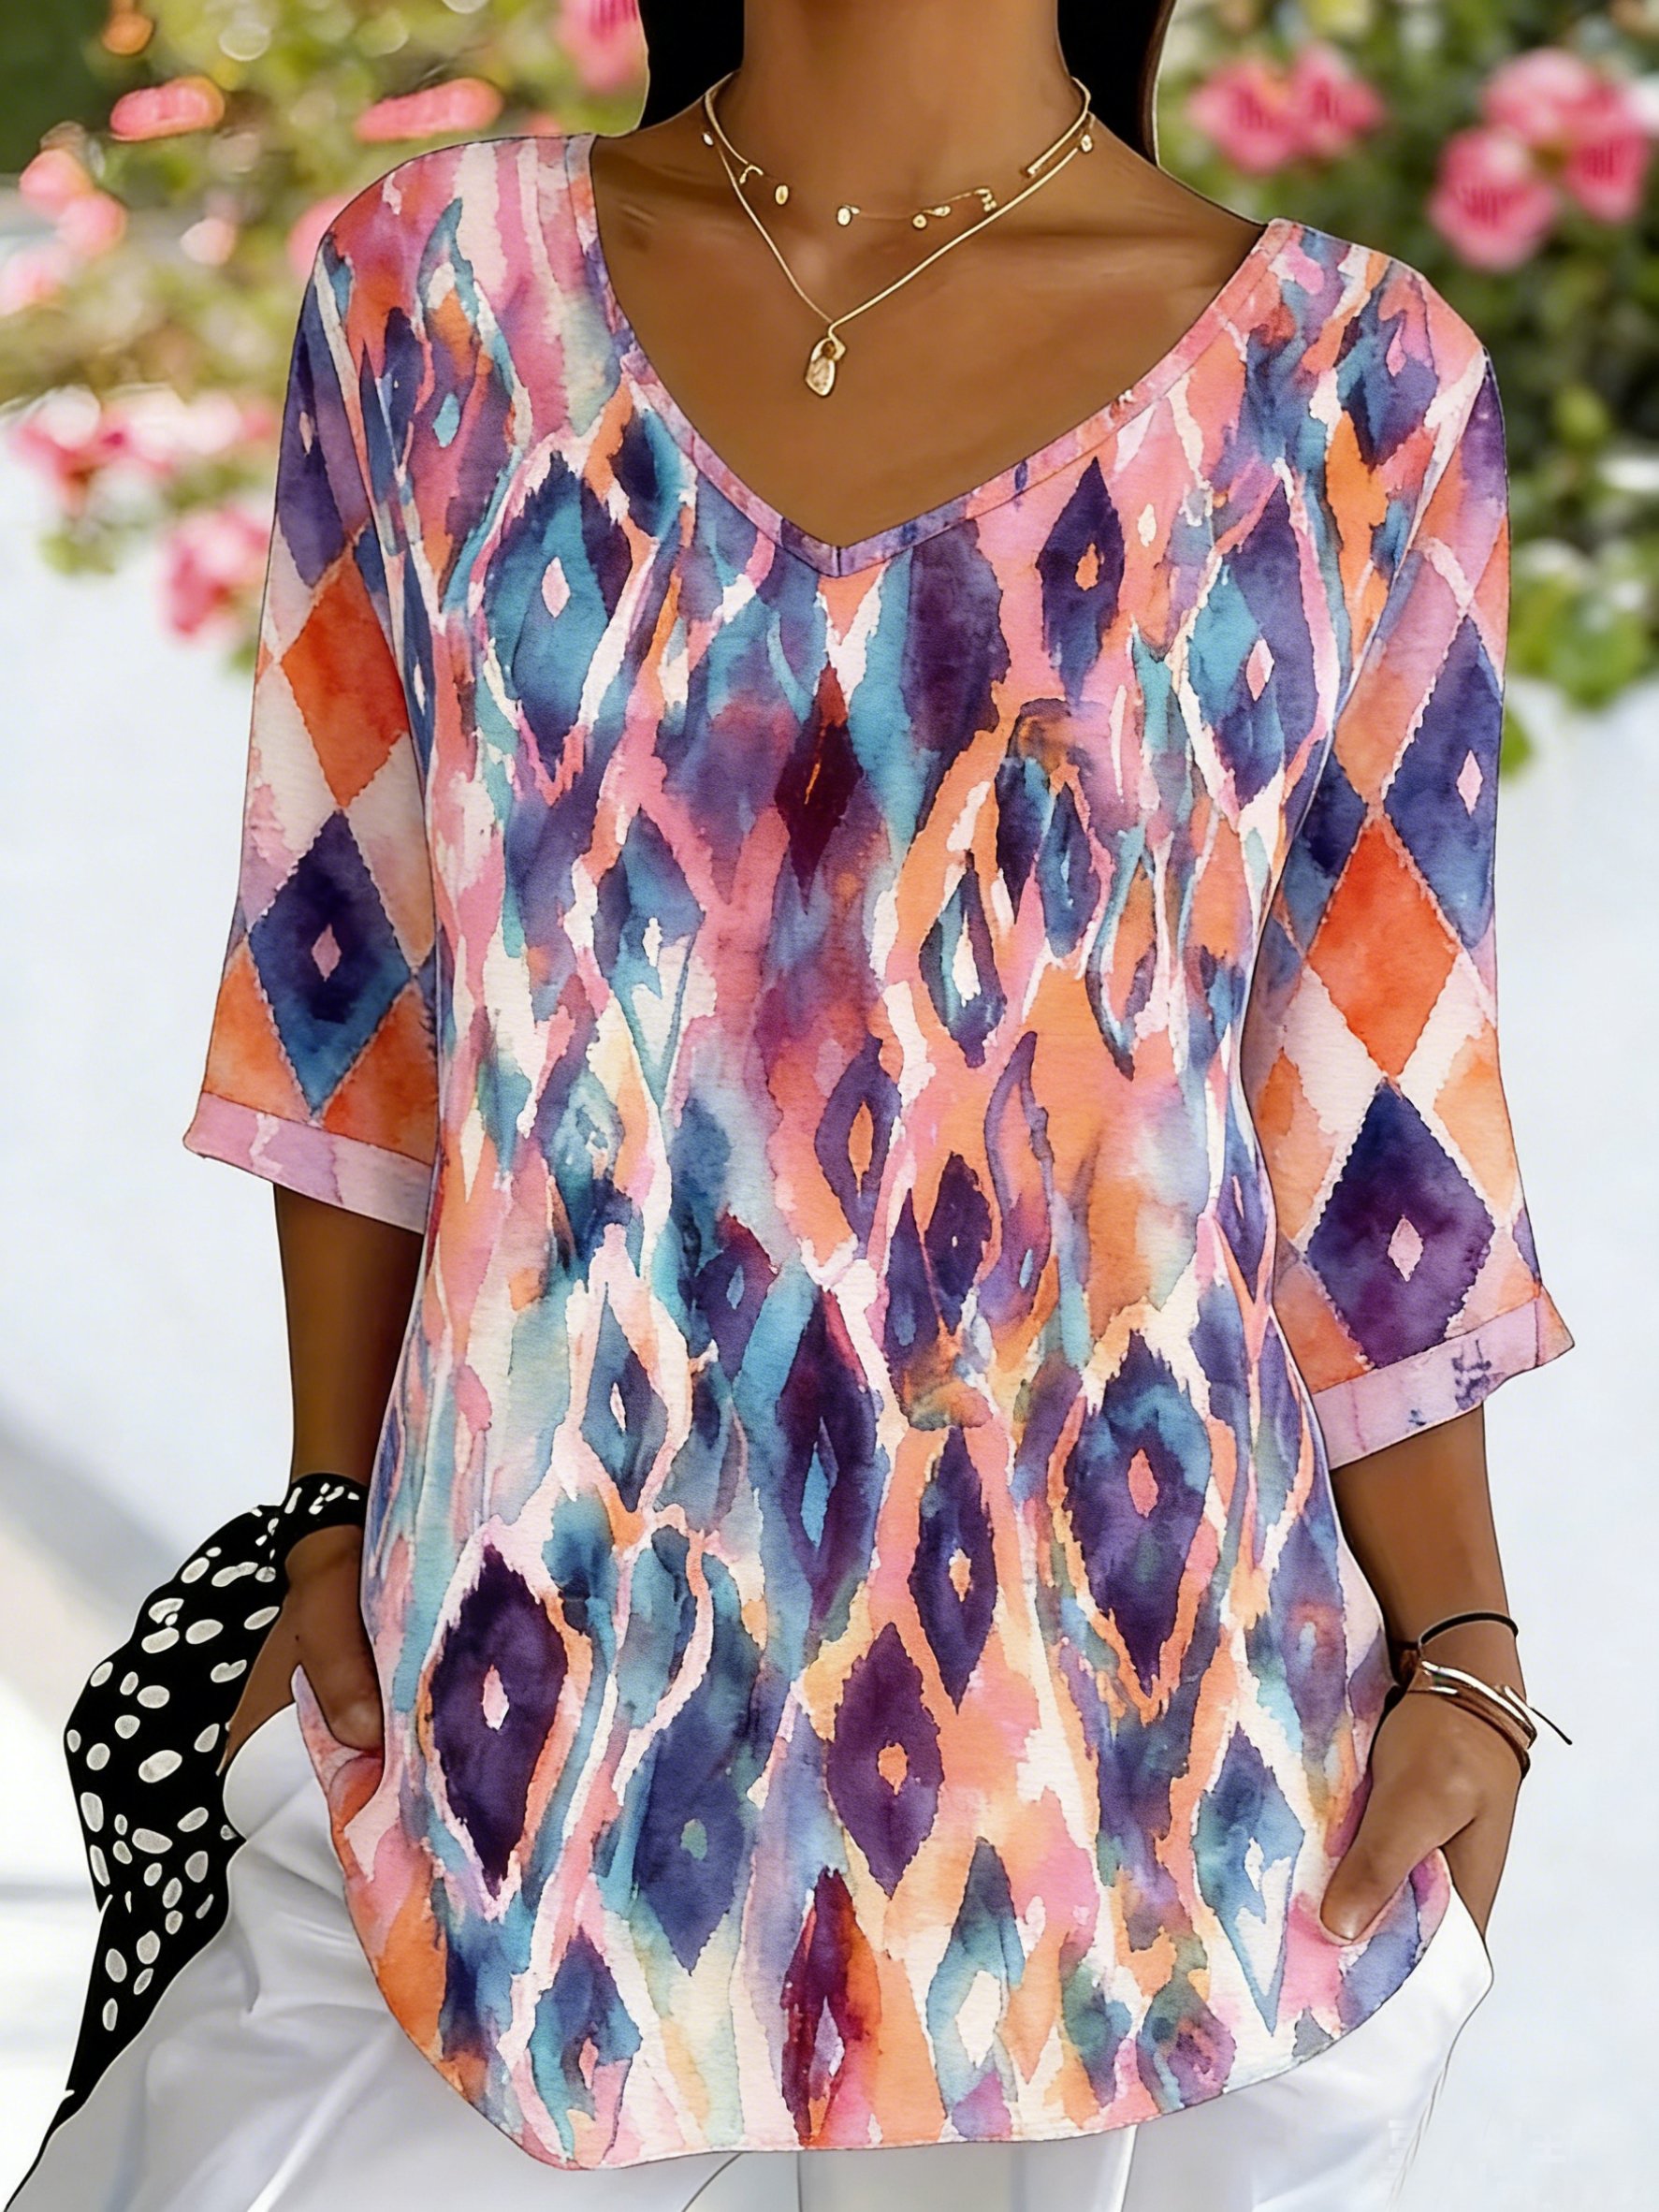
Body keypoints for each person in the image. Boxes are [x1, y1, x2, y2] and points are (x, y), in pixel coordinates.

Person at [11, 3, 1576, 2208]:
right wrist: (333, 1510)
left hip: (1140, 1786)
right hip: (509, 1729)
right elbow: (352, 991)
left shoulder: (1349, 382)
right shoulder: (434, 293)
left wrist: (1468, 1661)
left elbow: (1373, 1102)